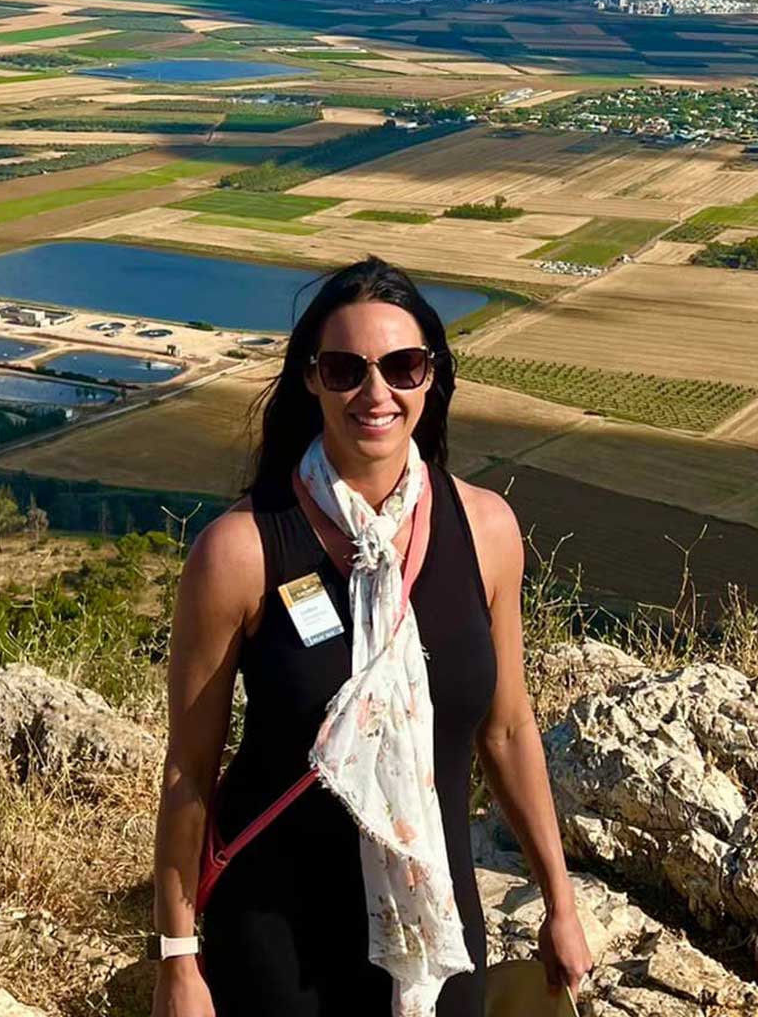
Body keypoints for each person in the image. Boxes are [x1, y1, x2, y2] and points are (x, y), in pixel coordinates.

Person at [151, 257, 593, 1016]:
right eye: (345, 368)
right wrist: (177, 961)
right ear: (311, 379)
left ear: (432, 377)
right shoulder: (241, 552)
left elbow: (510, 728)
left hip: (436, 932)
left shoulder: (485, 530)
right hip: (277, 938)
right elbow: (189, 771)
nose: (376, 391)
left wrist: (561, 900)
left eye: (403, 365)